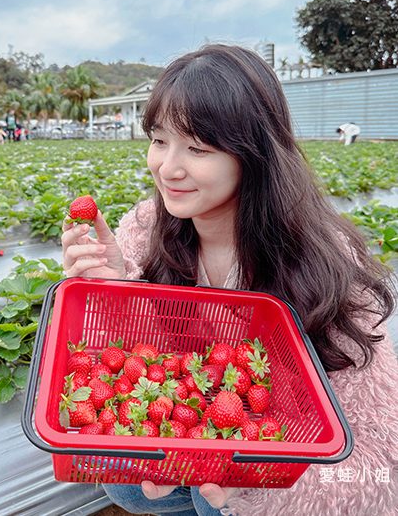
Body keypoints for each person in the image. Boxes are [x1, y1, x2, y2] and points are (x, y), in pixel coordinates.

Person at [61, 44, 398, 516]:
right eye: (160, 140)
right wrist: (116, 286)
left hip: (279, 447)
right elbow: (148, 369)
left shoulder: (322, 265)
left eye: (198, 147)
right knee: (127, 483)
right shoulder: (146, 228)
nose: (168, 168)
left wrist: (256, 487)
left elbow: (382, 467)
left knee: (213, 499)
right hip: (198, 420)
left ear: (255, 154)